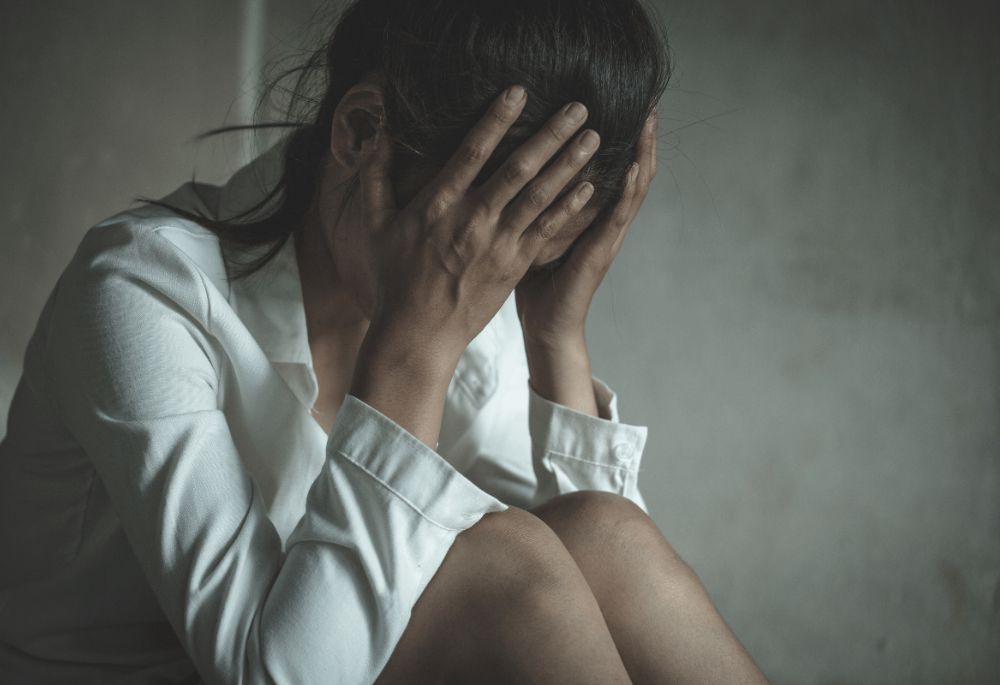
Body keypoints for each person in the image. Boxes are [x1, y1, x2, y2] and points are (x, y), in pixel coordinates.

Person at [0, 0, 770, 683]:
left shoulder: (475, 277)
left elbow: (594, 587)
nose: (494, 287)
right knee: (507, 561)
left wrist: (555, 336)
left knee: (602, 533)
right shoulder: (139, 290)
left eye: (527, 260)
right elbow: (274, 673)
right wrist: (413, 351)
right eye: (496, 244)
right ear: (362, 131)